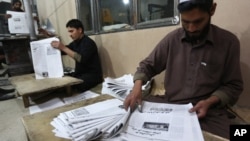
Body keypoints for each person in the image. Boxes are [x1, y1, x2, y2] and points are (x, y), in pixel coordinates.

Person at [124, 0, 243, 139]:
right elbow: (147, 65)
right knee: (128, 122)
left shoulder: (228, 42)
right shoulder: (172, 39)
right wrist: (137, 87)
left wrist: (210, 102)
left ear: (212, 9)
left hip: (207, 112)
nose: (191, 28)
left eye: (198, 22)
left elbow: (233, 86)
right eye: (186, 22)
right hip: (170, 105)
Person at [51, 19, 103, 92]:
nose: (70, 34)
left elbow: (81, 59)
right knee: (61, 80)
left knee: (76, 86)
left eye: (72, 31)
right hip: (80, 74)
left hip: (92, 75)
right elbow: (65, 51)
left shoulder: (89, 43)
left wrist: (63, 47)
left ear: (80, 30)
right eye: (69, 32)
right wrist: (51, 42)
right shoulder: (75, 43)